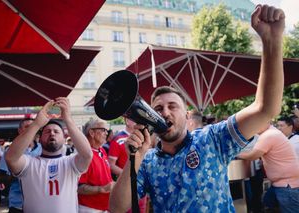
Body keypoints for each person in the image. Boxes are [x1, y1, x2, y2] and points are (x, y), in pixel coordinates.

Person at [109, 5, 285, 212]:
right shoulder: (146, 161)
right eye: (158, 109)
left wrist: (271, 41)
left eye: (172, 106)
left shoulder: (213, 139)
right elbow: (116, 208)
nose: (165, 112)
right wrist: (134, 159)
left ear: (186, 113)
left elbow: (266, 109)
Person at [5, 97, 93, 213]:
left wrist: (67, 119)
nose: (52, 133)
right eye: (47, 131)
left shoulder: (71, 162)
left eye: (56, 131)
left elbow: (87, 155)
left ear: (64, 138)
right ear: (39, 139)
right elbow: (10, 158)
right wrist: (37, 123)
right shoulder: (29, 163)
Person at [238, 124, 299, 212]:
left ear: (266, 121)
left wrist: (236, 155)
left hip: (287, 184)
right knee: (267, 202)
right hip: (281, 182)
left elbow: (253, 155)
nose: (253, 125)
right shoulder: (272, 133)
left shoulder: (269, 135)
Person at [0, 118, 42, 213]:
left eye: (33, 126)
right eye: (27, 127)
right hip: (17, 204)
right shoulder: (10, 151)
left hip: (40, 203)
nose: (31, 129)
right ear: (19, 131)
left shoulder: (44, 149)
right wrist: (16, 175)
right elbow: (1, 177)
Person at [78, 119, 114, 213]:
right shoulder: (84, 155)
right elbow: (79, 188)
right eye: (103, 130)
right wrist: (101, 189)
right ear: (92, 133)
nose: (106, 133)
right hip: (89, 209)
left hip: (105, 207)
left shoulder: (101, 150)